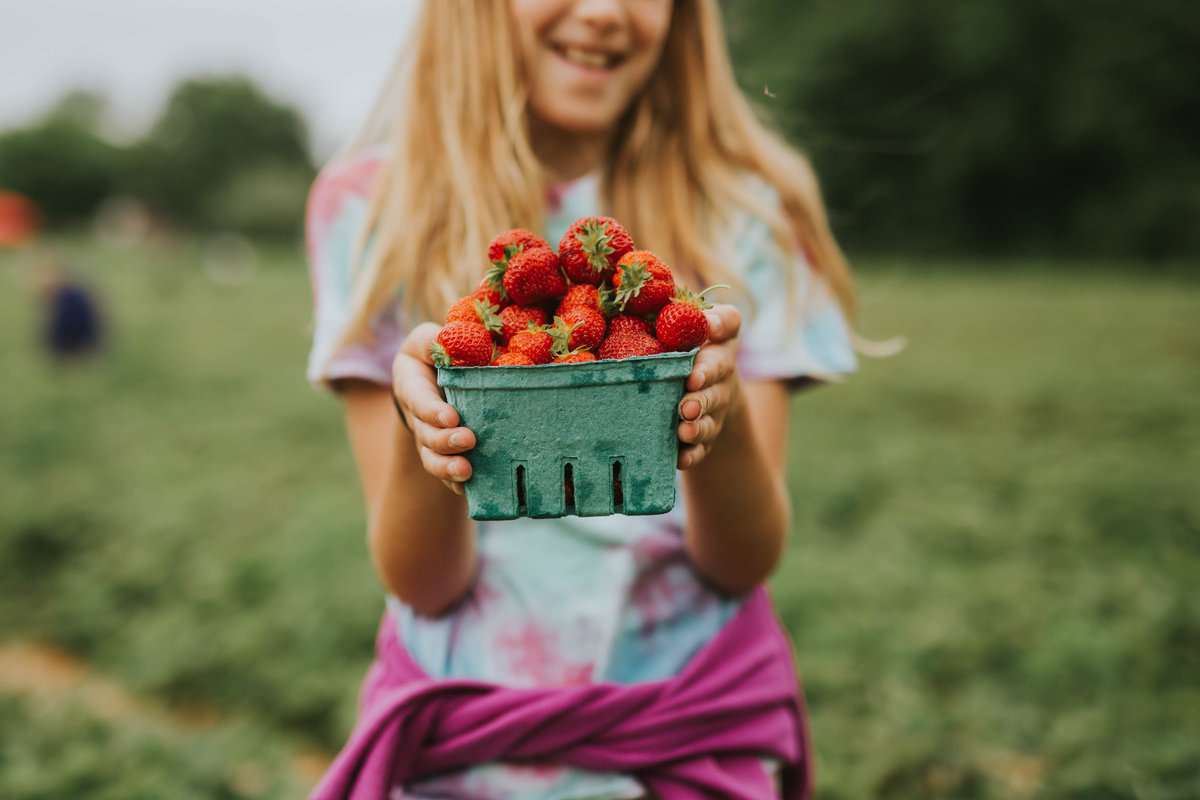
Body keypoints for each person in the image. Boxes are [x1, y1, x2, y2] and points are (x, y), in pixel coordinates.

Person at [304, 2, 858, 799]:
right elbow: (422, 582)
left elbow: (741, 561)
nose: (601, 11)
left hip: (685, 729)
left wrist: (716, 407)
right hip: (474, 748)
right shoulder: (371, 209)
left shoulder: (752, 209)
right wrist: (421, 422)